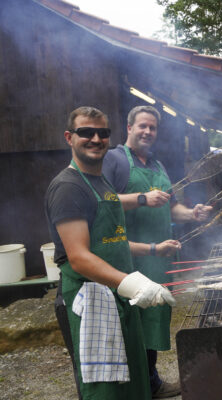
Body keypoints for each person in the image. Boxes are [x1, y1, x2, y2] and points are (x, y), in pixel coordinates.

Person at [45, 106, 176, 399]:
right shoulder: (68, 187)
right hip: (88, 300)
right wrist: (133, 283)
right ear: (69, 137)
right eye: (85, 132)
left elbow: (113, 241)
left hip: (119, 296)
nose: (95, 138)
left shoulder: (102, 182)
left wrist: (145, 263)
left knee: (132, 379)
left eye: (102, 133)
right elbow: (78, 256)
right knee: (105, 389)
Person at [102, 105, 212, 399]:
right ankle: (133, 388)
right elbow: (103, 202)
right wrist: (141, 198)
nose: (148, 132)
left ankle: (151, 382)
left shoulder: (157, 166)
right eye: (142, 126)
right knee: (129, 327)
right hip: (127, 260)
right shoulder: (114, 160)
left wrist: (192, 213)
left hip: (157, 260)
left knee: (151, 323)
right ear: (129, 127)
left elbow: (171, 207)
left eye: (152, 128)